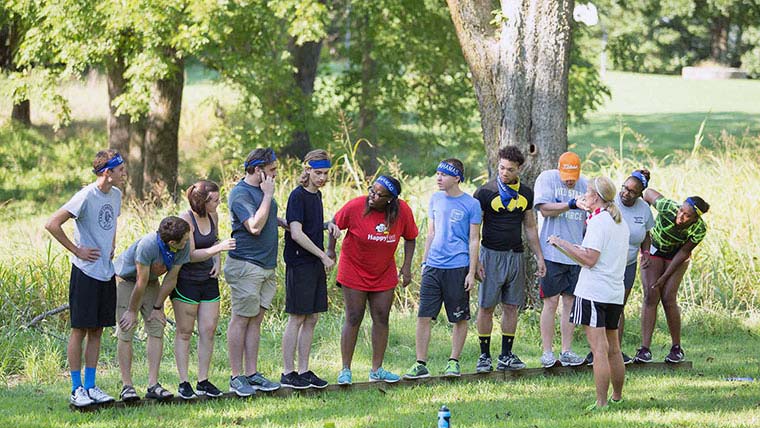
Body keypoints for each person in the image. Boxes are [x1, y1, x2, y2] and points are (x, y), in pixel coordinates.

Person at [45, 149, 126, 407]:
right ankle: (76, 388)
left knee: (97, 330)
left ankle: (91, 387)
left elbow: (112, 222)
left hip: (105, 270)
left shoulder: (116, 195)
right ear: (107, 173)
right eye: (120, 170)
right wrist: (77, 250)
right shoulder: (85, 196)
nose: (124, 173)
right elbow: (52, 224)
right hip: (85, 272)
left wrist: (111, 244)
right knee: (79, 329)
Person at [548, 176, 629, 410]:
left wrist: (561, 243)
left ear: (595, 196)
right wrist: (568, 247)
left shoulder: (599, 222)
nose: (584, 195)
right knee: (614, 348)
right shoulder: (619, 222)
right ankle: (617, 397)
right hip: (614, 292)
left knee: (599, 350)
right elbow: (592, 256)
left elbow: (589, 259)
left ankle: (601, 403)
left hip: (594, 293)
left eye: (588, 192)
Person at [328, 175, 418, 384]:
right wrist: (330, 251)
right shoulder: (356, 206)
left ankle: (376, 369)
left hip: (383, 271)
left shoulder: (402, 211)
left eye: (379, 195)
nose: (373, 196)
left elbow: (411, 237)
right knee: (354, 316)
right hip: (354, 269)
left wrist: (406, 267)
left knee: (381, 316)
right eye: (372, 191)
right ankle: (345, 370)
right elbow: (334, 224)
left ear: (390, 199)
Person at [403, 159, 480, 380]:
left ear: (457, 178)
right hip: (434, 266)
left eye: (443, 174)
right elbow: (431, 232)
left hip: (458, 266)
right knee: (424, 316)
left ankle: (453, 361)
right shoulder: (435, 198)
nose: (438, 178)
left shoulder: (471, 204)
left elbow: (474, 240)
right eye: (437, 173)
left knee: (459, 318)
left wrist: (471, 272)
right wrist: (425, 263)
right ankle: (420, 363)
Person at [472, 146, 547, 373]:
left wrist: (540, 257)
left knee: (512, 306)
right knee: (486, 306)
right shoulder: (484, 192)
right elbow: (475, 232)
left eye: (510, 169)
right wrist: (475, 262)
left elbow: (531, 227)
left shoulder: (526, 193)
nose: (505, 172)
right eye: (502, 168)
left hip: (516, 255)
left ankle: (506, 354)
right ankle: (484, 356)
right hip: (490, 254)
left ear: (519, 169)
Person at [225, 148, 286, 396]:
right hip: (246, 266)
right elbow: (254, 226)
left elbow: (270, 218)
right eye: (271, 171)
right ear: (258, 170)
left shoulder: (262, 192)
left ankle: (252, 373)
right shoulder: (240, 194)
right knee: (241, 319)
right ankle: (236, 376)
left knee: (255, 321)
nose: (275, 175)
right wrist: (268, 196)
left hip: (266, 266)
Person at [280, 150, 341, 389]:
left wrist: (329, 226)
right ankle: (288, 372)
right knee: (297, 317)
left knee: (312, 317)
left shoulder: (318, 196)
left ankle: (304, 370)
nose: (322, 177)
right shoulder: (298, 196)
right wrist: (323, 255)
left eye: (326, 173)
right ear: (307, 170)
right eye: (318, 173)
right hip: (300, 262)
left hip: (314, 262)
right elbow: (296, 233)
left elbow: (311, 226)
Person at [114, 216, 191, 402]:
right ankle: (127, 386)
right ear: (172, 241)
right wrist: (132, 311)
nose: (189, 241)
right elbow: (139, 282)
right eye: (186, 239)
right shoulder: (148, 245)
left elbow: (171, 279)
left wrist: (158, 307)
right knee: (126, 329)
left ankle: (153, 384)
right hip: (127, 280)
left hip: (151, 282)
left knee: (156, 327)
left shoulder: (183, 246)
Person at [172, 181, 236, 399]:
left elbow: (215, 239)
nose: (219, 203)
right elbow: (190, 255)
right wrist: (217, 249)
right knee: (185, 332)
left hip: (208, 280)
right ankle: (183, 382)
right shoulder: (186, 219)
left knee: (208, 330)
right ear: (202, 201)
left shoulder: (213, 216)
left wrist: (217, 260)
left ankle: (203, 380)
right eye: (215, 200)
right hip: (187, 280)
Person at [634, 185, 709, 364]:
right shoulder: (668, 207)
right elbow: (647, 193)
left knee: (668, 297)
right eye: (681, 211)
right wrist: (643, 219)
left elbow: (684, 253)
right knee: (651, 295)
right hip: (655, 248)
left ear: (696, 218)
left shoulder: (699, 229)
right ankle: (644, 349)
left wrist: (665, 277)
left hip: (676, 256)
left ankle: (676, 348)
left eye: (687, 216)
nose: (680, 217)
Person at [585, 170, 653, 366]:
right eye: (624, 187)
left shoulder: (644, 210)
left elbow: (647, 235)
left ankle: (615, 349)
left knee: (617, 307)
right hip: (606, 263)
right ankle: (595, 351)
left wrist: (645, 253)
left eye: (632, 191)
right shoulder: (610, 202)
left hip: (628, 265)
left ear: (640, 194)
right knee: (599, 305)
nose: (625, 193)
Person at [534, 151, 587, 368]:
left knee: (570, 302)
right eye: (566, 175)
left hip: (575, 253)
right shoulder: (547, 179)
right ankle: (547, 352)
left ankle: (566, 351)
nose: (569, 180)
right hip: (552, 252)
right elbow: (545, 210)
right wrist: (572, 204)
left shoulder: (585, 183)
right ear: (559, 168)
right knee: (550, 302)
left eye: (573, 176)